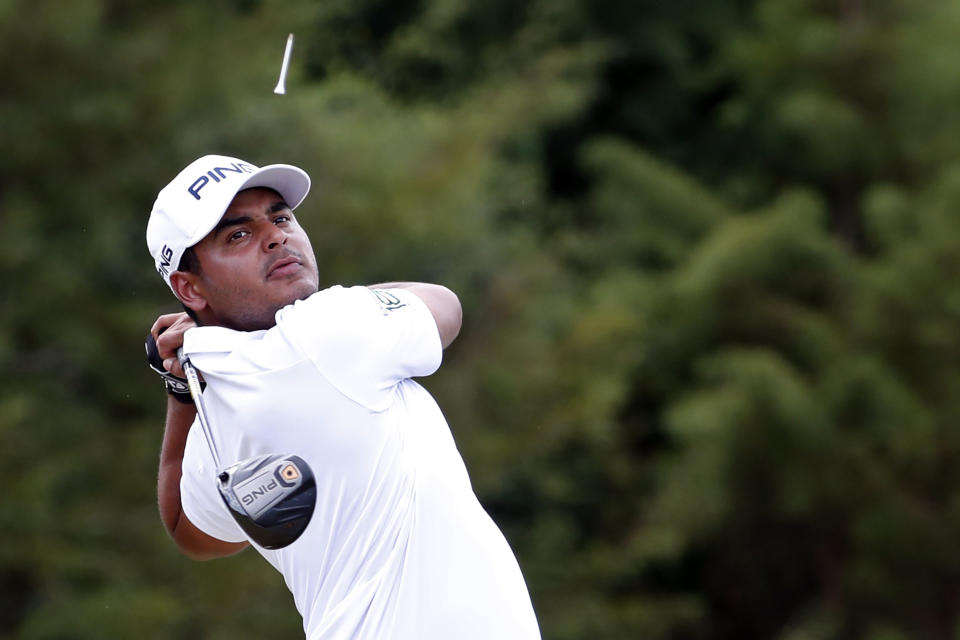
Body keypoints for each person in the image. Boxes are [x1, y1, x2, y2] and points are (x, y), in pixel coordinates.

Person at [145, 154, 541, 639]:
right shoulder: (330, 327)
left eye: (281, 216)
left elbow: (194, 532)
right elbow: (445, 305)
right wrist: (344, 305)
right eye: (238, 235)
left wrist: (182, 390)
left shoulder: (215, 410)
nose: (276, 236)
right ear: (189, 287)